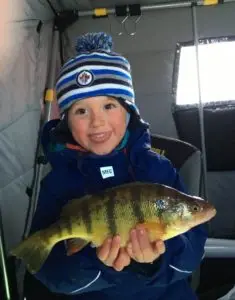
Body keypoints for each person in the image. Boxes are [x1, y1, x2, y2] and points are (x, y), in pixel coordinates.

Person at [27, 32, 207, 300]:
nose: (97, 121)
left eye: (109, 105)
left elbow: (192, 255)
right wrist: (100, 265)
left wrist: (155, 261)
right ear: (65, 121)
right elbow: (53, 276)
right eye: (81, 111)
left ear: (129, 110)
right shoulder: (56, 185)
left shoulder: (159, 170)